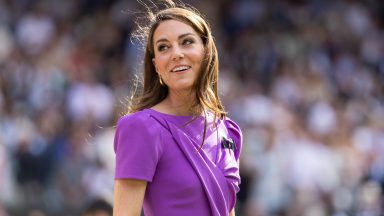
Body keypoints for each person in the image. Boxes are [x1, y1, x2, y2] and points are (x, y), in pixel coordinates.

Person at [113, 1, 242, 215]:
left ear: (206, 51)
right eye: (163, 47)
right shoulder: (140, 128)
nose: (176, 54)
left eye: (187, 42)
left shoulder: (229, 130)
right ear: (156, 65)